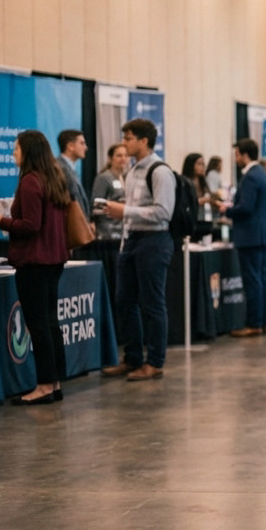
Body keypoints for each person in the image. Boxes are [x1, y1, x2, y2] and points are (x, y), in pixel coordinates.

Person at [0, 130, 70, 403]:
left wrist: (3, 221)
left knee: (38, 324)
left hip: (35, 262)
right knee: (50, 323)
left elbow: (30, 225)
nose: (13, 153)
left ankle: (44, 386)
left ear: (28, 151)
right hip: (54, 260)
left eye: (16, 149)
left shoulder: (29, 182)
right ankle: (55, 383)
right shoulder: (53, 179)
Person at [100, 119, 175, 381]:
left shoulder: (160, 171)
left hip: (154, 241)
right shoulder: (132, 172)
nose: (125, 143)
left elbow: (163, 212)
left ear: (144, 141)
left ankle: (154, 362)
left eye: (129, 138)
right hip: (131, 241)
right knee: (124, 300)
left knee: (152, 303)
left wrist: (125, 211)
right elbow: (132, 215)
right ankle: (132, 358)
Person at [227, 138, 266, 337]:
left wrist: (227, 210)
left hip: (251, 236)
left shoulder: (250, 177)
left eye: (237, 154)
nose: (236, 158)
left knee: (253, 281)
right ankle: (262, 321)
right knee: (261, 279)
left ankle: (255, 323)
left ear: (245, 154)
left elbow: (245, 208)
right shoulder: (263, 174)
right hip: (263, 235)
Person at [90, 142, 129, 297]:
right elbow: (96, 205)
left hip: (123, 235)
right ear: (111, 158)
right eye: (119, 155)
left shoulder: (126, 177)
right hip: (107, 237)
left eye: (125, 155)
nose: (123, 159)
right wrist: (118, 206)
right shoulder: (104, 178)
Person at [57, 128, 91, 221]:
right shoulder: (60, 169)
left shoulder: (69, 168)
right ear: (70, 146)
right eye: (82, 143)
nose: (86, 148)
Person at [182, 152, 217, 238]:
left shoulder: (204, 183)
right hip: (192, 222)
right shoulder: (185, 183)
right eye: (199, 164)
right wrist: (202, 201)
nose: (202, 167)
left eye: (203, 164)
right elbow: (184, 204)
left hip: (206, 220)